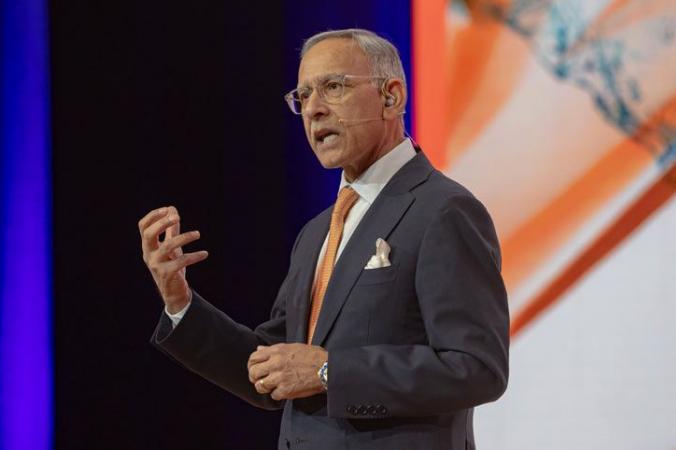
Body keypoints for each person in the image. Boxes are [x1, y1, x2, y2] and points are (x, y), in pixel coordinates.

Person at [139, 28, 509, 450]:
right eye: (303, 96)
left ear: (392, 97)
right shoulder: (317, 232)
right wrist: (179, 303)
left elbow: (476, 367)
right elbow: (273, 365)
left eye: (333, 87)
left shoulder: (442, 211)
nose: (313, 109)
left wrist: (329, 371)